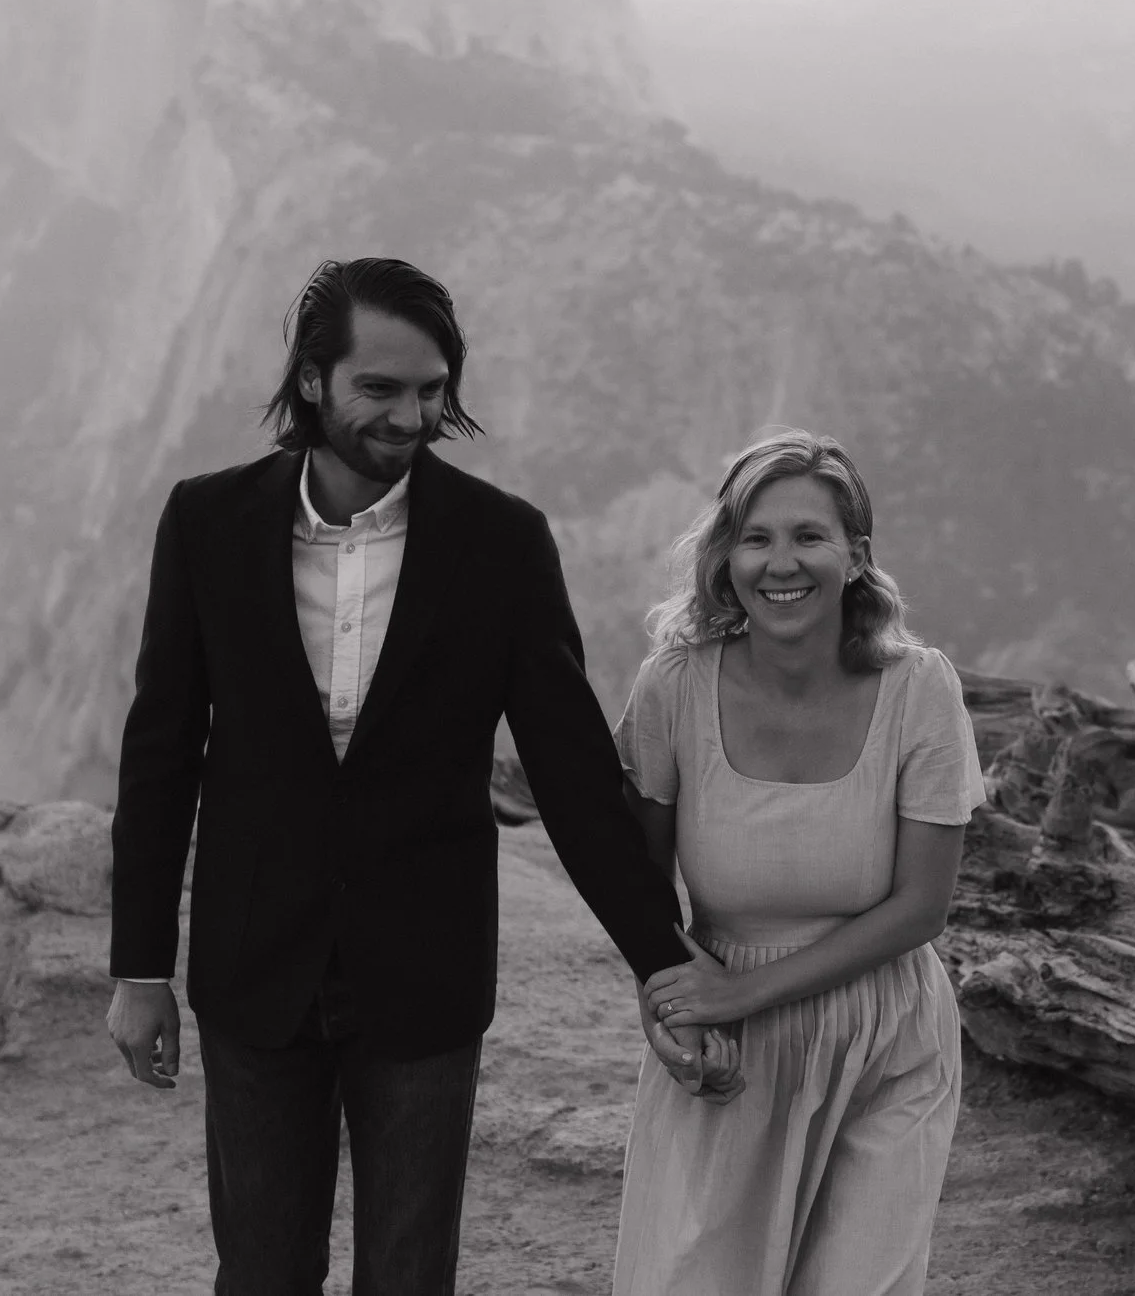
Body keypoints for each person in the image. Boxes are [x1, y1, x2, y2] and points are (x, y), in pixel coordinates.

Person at [106, 256, 722, 1296]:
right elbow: (161, 750)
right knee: (259, 1272)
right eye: (381, 388)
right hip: (254, 963)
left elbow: (570, 770)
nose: (412, 414)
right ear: (312, 380)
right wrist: (138, 967)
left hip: (425, 972)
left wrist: (660, 961)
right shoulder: (206, 522)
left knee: (407, 1275)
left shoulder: (502, 543)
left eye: (431, 390)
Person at [612, 428, 984, 1295]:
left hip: (883, 1038)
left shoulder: (920, 691)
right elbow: (638, 887)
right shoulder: (673, 686)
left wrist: (740, 992)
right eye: (756, 536)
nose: (783, 562)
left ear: (855, 557)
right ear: (725, 558)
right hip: (726, 1043)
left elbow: (921, 909)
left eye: (809, 536)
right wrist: (667, 1005)